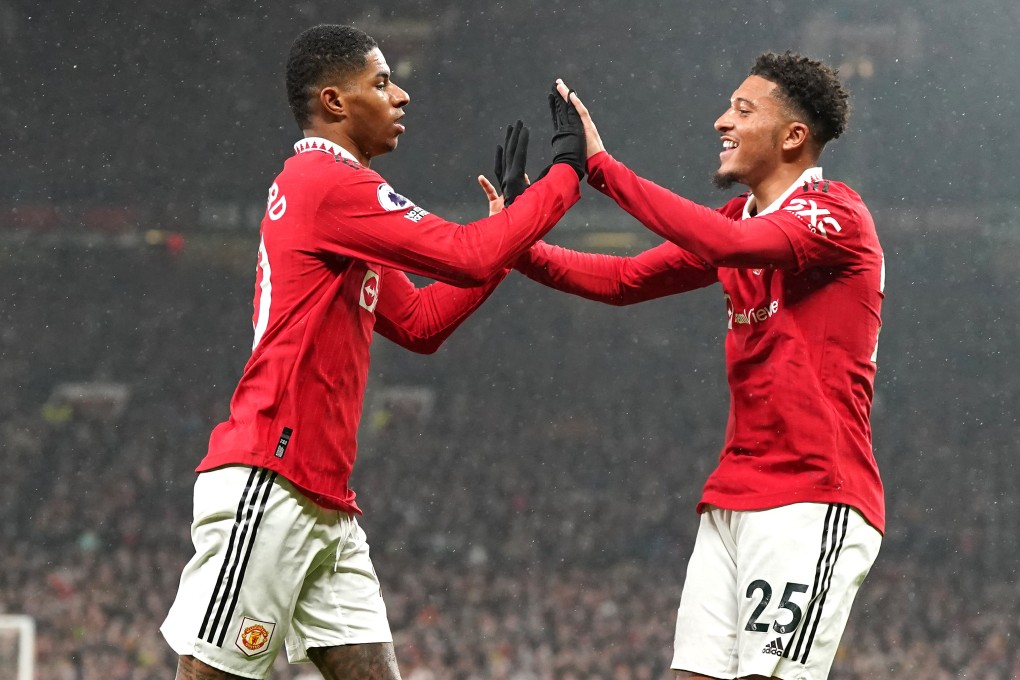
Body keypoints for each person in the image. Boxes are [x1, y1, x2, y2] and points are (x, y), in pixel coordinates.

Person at [160, 24, 586, 680]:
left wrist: (503, 241)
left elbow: (419, 322)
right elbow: (464, 255)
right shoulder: (327, 183)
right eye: (382, 82)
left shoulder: (333, 201)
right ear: (334, 102)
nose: (402, 95)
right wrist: (564, 173)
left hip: (322, 499)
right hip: (271, 480)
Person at [485, 54, 885, 680]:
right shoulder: (738, 219)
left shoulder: (837, 215)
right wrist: (516, 241)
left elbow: (727, 248)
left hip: (811, 496)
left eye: (743, 110)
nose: (721, 121)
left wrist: (601, 168)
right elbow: (621, 279)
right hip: (732, 495)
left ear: (793, 136)